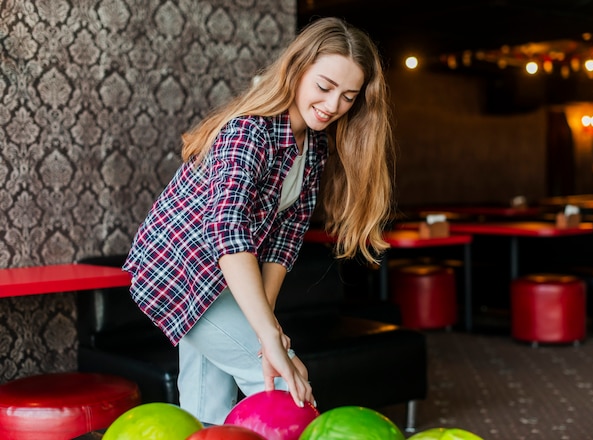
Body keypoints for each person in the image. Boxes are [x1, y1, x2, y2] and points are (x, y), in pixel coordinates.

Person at [122, 16, 394, 425]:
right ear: (297, 70)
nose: (334, 105)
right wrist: (267, 338)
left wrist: (264, 321)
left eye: (348, 96)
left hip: (221, 280)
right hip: (181, 273)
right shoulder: (249, 131)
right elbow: (229, 233)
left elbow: (285, 242)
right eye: (325, 86)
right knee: (286, 388)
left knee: (203, 410)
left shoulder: (314, 147)